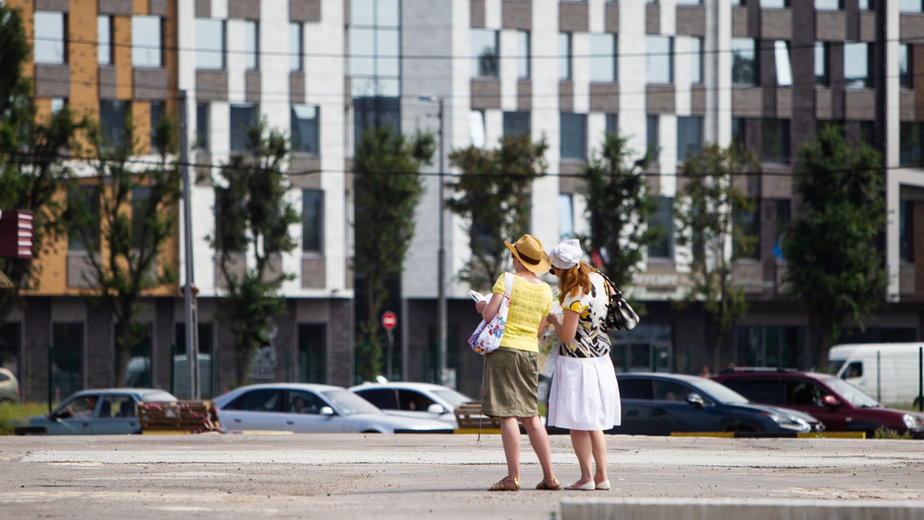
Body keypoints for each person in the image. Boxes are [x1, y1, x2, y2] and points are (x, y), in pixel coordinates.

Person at [474, 233, 561, 492]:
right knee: (531, 415)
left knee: (507, 414)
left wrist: (481, 305)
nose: (512, 259)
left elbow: (490, 315)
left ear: (519, 260)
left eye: (514, 255)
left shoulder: (507, 280)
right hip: (529, 352)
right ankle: (550, 476)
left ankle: (513, 477)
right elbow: (539, 329)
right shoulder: (546, 289)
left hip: (504, 350)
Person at [545, 239, 620, 491]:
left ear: (564, 269)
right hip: (601, 359)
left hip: (577, 363)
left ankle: (586, 477)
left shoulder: (574, 292)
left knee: (578, 422)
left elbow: (567, 336)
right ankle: (602, 477)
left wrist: (554, 320)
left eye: (553, 270)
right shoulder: (600, 279)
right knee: (595, 422)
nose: (553, 275)